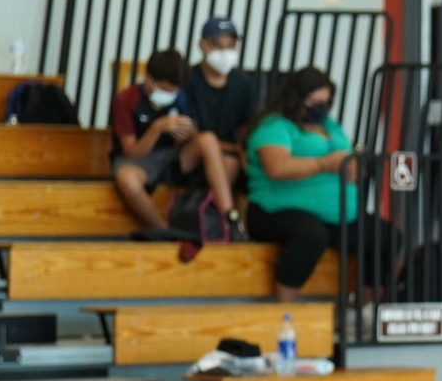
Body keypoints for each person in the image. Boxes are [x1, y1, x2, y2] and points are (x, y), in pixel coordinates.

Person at [243, 67, 360, 301]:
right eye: (313, 102)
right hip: (274, 211)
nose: (320, 108)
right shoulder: (274, 125)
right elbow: (277, 167)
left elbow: (350, 164)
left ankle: (361, 312)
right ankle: (285, 309)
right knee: (311, 235)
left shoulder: (331, 127)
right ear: (296, 98)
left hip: (336, 215)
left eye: (325, 102)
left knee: (383, 236)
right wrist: (324, 164)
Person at [108, 48, 241, 237]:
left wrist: (186, 133)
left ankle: (229, 219)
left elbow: (195, 133)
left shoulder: (180, 97)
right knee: (127, 180)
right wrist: (157, 128)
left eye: (173, 90)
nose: (169, 94)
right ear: (148, 78)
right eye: (164, 89)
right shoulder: (126, 100)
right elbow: (131, 151)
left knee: (211, 143)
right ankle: (164, 230)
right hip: (138, 160)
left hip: (172, 157)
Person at [183, 17, 261, 181]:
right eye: (217, 45)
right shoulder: (187, 80)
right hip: (192, 153)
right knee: (229, 162)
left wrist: (245, 150)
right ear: (201, 46)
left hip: (231, 152)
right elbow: (189, 132)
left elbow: (247, 126)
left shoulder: (244, 83)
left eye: (231, 45)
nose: (225, 51)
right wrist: (234, 149)